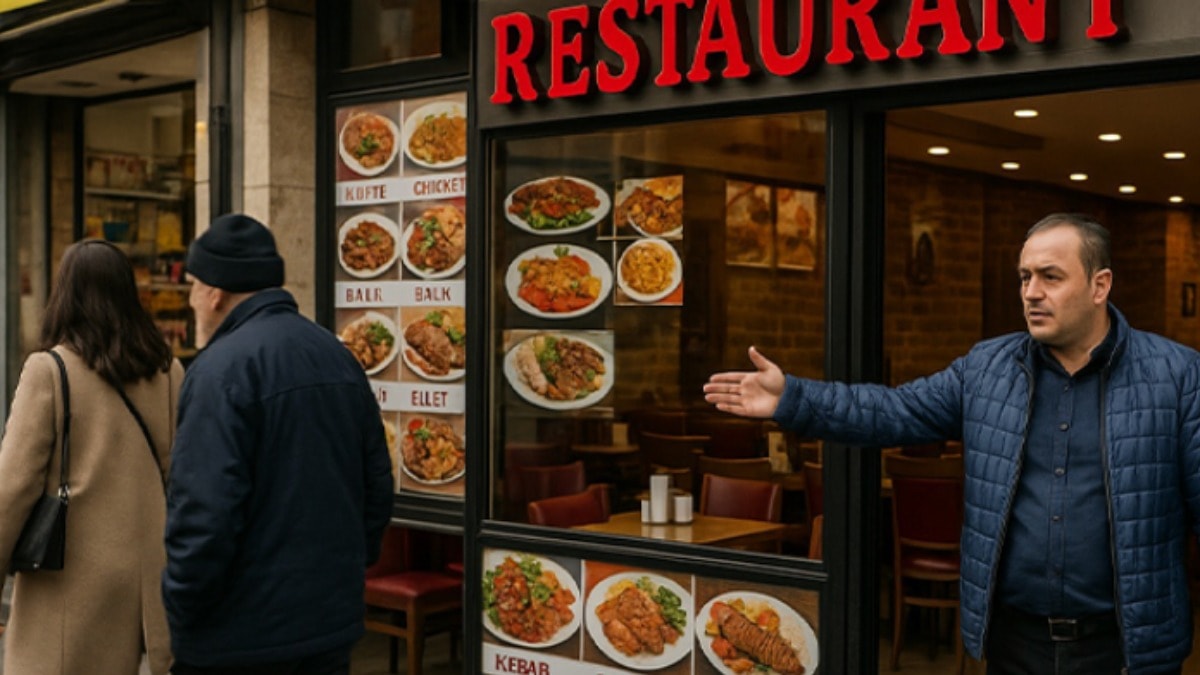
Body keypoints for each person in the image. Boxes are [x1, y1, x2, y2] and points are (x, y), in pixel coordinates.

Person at [705, 213, 1200, 674]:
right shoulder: (987, 368)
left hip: (1126, 649)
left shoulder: (1175, 376)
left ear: (1100, 285)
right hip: (1013, 643)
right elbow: (893, 411)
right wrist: (795, 397)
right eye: (1024, 277)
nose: (1031, 292)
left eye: (1050, 277)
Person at [162, 214, 394, 674]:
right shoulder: (337, 355)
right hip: (327, 627)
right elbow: (377, 487)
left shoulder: (218, 372)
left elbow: (204, 515)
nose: (190, 302)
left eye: (191, 287)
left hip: (241, 638)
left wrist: (182, 607)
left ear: (213, 293)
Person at [0, 239, 182, 674]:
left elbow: (13, 487)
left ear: (65, 294)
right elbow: (177, 472)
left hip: (68, 582)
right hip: (146, 579)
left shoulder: (49, 370)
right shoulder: (168, 370)